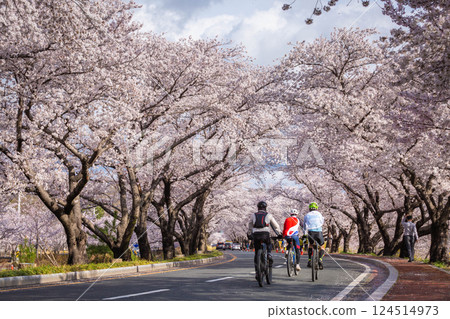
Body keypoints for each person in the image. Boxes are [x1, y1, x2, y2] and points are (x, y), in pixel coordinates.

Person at [248, 201, 282, 273]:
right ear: (265, 208)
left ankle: (257, 270)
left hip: (256, 234)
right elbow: (276, 225)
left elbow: (250, 225)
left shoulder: (253, 215)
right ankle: (269, 254)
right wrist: (279, 233)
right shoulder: (268, 215)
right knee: (268, 243)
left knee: (257, 251)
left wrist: (249, 233)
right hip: (265, 233)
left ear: (258, 208)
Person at [303, 202, 325, 269]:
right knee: (322, 246)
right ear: (316, 208)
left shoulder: (307, 215)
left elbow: (304, 225)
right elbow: (322, 222)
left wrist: (304, 234)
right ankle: (320, 259)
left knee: (311, 245)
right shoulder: (319, 214)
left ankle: (309, 260)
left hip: (311, 232)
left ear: (309, 208)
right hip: (318, 232)